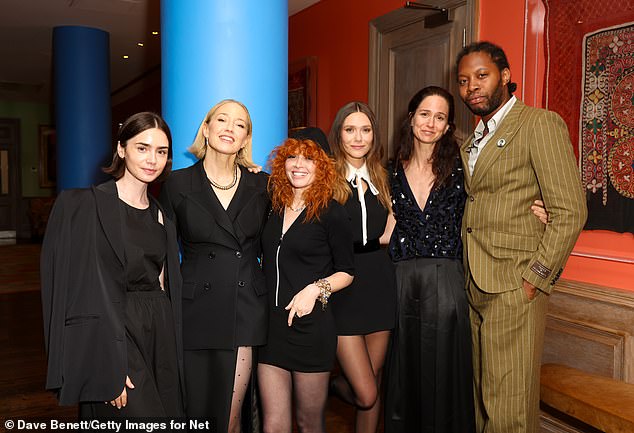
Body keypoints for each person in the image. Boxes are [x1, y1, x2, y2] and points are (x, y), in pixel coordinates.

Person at [456, 41, 587, 433]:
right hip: (475, 282)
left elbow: (571, 210)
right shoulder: (471, 141)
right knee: (485, 399)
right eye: (463, 81)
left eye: (481, 76)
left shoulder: (538, 123)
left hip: (515, 283)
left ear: (506, 76)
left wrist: (536, 277)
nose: (472, 87)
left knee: (509, 408)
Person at [40, 112, 184, 418]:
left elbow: (161, 286)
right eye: (142, 148)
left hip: (158, 335)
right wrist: (106, 363)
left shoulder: (162, 217)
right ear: (121, 149)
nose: (152, 159)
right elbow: (75, 294)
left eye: (161, 151)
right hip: (111, 333)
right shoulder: (84, 206)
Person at [159, 99, 269, 433]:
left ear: (246, 138)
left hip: (244, 308)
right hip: (193, 311)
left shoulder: (263, 185)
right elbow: (161, 251)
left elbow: (282, 242)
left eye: (240, 124)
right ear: (206, 129)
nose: (229, 128)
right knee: (195, 414)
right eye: (222, 119)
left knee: (228, 416)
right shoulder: (177, 184)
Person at [382, 86, 475, 433]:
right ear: (411, 118)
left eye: (440, 117)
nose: (431, 123)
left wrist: (533, 209)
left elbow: (499, 199)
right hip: (399, 279)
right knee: (402, 374)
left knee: (445, 374)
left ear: (449, 126)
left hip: (447, 279)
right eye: (425, 114)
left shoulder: (463, 168)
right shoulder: (388, 170)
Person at [258, 137, 354, 433]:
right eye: (292, 157)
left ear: (322, 166)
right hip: (270, 328)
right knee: (274, 425)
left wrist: (314, 289)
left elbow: (347, 272)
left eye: (308, 159)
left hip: (311, 330)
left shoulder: (331, 212)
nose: (299, 165)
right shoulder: (272, 206)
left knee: (309, 423)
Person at [326, 103, 397, 433]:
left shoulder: (386, 177)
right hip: (343, 286)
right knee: (365, 391)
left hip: (380, 283)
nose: (358, 137)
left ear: (374, 135)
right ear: (339, 135)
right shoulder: (325, 179)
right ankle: (335, 385)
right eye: (350, 130)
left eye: (365, 130)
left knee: (374, 379)